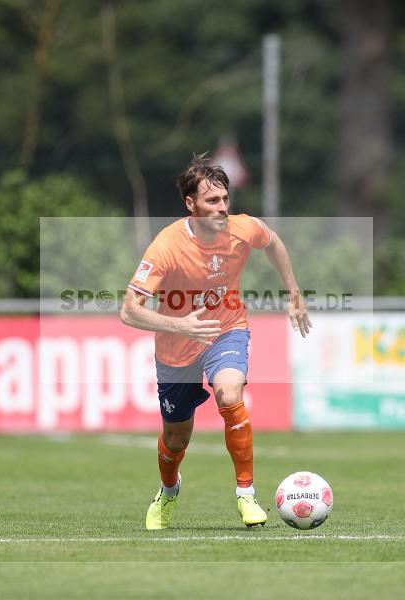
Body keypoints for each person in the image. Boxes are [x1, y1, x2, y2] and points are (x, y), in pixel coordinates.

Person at [120, 153, 312, 529]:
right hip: (176, 347)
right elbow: (129, 310)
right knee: (176, 438)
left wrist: (293, 291)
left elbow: (273, 243)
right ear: (190, 204)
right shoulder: (167, 245)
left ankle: (246, 494)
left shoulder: (243, 228)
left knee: (229, 393)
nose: (223, 208)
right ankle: (168, 490)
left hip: (227, 329)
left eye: (225, 199)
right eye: (212, 201)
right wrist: (180, 326)